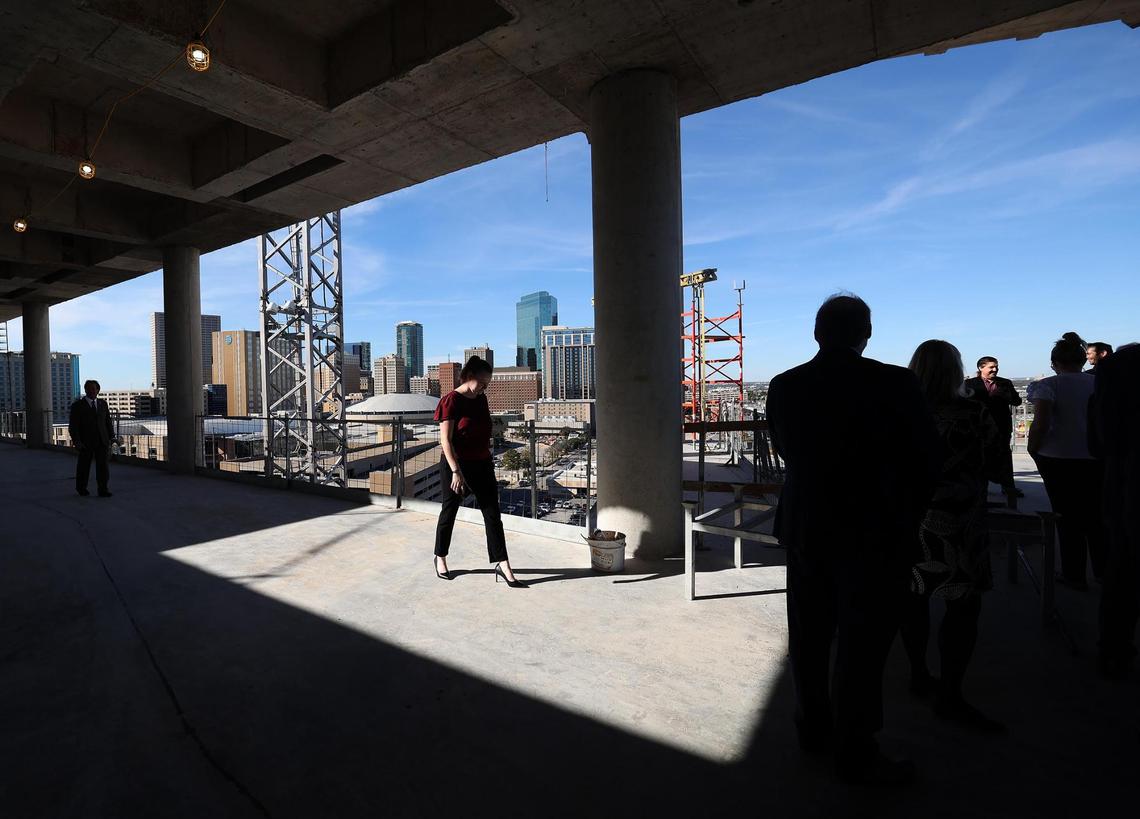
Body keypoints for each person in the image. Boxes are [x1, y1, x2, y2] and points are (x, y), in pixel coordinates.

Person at [766, 294, 940, 785]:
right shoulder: (896, 383)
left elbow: (785, 450)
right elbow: (926, 458)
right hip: (876, 530)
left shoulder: (785, 384)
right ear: (866, 333)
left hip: (808, 527)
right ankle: (856, 748)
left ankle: (812, 726)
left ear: (816, 333)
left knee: (809, 635)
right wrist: (907, 516)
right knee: (863, 644)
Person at [899, 341, 1003, 732]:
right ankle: (951, 693)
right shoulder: (973, 413)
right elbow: (994, 459)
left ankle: (918, 673)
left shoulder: (901, 414)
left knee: (913, 599)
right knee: (963, 607)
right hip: (960, 519)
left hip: (912, 519)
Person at [433, 356, 526, 588]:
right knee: (449, 511)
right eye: (482, 382)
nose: (485, 387)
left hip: (482, 464)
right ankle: (440, 557)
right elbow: (445, 440)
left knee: (492, 514)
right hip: (457, 465)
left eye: (487, 384)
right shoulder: (450, 400)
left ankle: (503, 564)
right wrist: (456, 472)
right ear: (469, 376)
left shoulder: (481, 399)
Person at [1027, 332, 1106, 588]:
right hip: (1095, 456)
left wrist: (1033, 448)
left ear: (1054, 362)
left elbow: (1041, 424)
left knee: (1067, 517)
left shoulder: (1048, 386)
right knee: (1096, 516)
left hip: (1058, 456)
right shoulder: (1097, 383)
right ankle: (1103, 571)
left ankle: (1074, 573)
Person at [1092, 343, 1140, 678]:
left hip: (1120, 489)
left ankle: (1113, 649)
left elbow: (1098, 445)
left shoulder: (1105, 401)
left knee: (1120, 576)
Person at [964, 356, 1023, 499]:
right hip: (979, 427)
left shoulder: (1005, 383)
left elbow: (1017, 401)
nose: (995, 369)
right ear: (981, 368)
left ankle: (1008, 487)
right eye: (991, 367)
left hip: (1001, 426)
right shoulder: (969, 384)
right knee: (979, 456)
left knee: (1004, 456)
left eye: (996, 366)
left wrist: (1005, 395)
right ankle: (979, 488)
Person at [68, 379, 114, 497]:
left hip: (102, 441)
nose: (92, 391)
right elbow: (73, 426)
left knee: (103, 467)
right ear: (85, 390)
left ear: (98, 390)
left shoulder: (103, 404)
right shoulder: (77, 406)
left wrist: (112, 437)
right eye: (89, 388)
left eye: (94, 388)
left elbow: (107, 422)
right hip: (85, 442)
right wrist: (77, 441)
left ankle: (103, 489)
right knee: (84, 466)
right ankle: (81, 488)